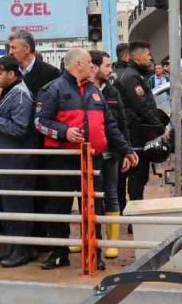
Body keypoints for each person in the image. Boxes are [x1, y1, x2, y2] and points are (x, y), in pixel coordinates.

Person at [34, 48, 137, 270]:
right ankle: (58, 253)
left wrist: (127, 149)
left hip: (93, 159)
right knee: (58, 207)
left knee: (93, 208)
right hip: (62, 159)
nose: (93, 66)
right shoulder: (53, 90)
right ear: (77, 64)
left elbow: (110, 126)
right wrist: (64, 132)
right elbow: (40, 122)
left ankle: (94, 253)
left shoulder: (95, 91)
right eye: (89, 62)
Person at [0, 55, 39, 268]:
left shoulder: (21, 95)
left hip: (17, 160)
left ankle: (22, 249)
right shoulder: (6, 91)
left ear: (11, 74)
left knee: (18, 204)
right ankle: (13, 246)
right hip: (4, 158)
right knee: (8, 204)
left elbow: (19, 127)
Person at [112, 40, 165, 211]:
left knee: (132, 179)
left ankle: (127, 213)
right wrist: (158, 126)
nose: (151, 59)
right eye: (148, 55)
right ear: (139, 56)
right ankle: (131, 215)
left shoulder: (135, 75)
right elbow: (141, 106)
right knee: (135, 178)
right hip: (135, 135)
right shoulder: (131, 77)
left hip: (134, 134)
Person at [92, 50, 130, 258]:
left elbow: (122, 124)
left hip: (112, 154)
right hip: (91, 154)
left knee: (112, 194)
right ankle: (89, 237)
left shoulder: (113, 92)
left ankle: (113, 242)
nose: (110, 70)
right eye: (107, 65)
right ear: (94, 67)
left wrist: (126, 151)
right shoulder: (84, 90)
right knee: (89, 198)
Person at [7, 30, 58, 96]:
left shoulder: (51, 73)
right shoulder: (9, 73)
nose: (10, 52)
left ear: (27, 49)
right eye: (10, 48)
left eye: (13, 48)